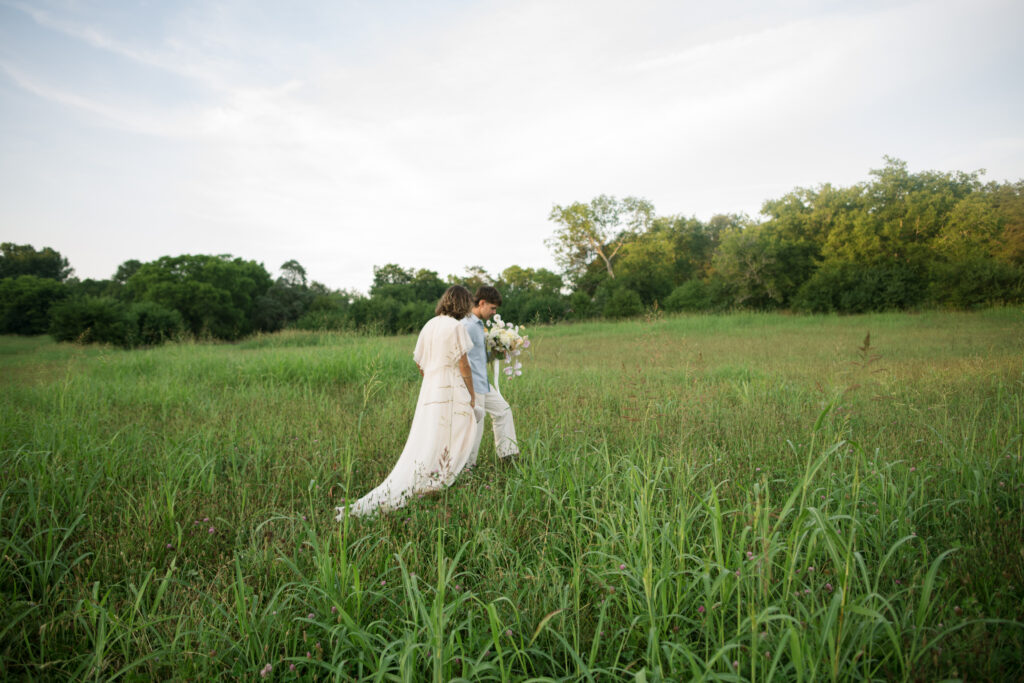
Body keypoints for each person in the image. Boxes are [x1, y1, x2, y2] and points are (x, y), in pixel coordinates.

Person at [337, 285, 481, 518]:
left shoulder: (429, 325)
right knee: (465, 424)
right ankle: (445, 475)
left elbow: (418, 361)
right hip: (451, 384)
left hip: (431, 387)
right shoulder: (456, 327)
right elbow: (464, 365)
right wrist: (471, 393)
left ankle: (436, 474)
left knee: (434, 430)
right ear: (463, 304)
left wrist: (432, 377)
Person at [462, 286, 519, 467]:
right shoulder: (467, 325)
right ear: (482, 303)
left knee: (503, 411)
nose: (494, 312)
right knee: (475, 426)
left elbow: (478, 356)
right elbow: (461, 357)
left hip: (483, 382)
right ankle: (467, 468)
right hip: (472, 383)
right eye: (492, 308)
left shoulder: (479, 326)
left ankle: (508, 457)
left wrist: (499, 350)